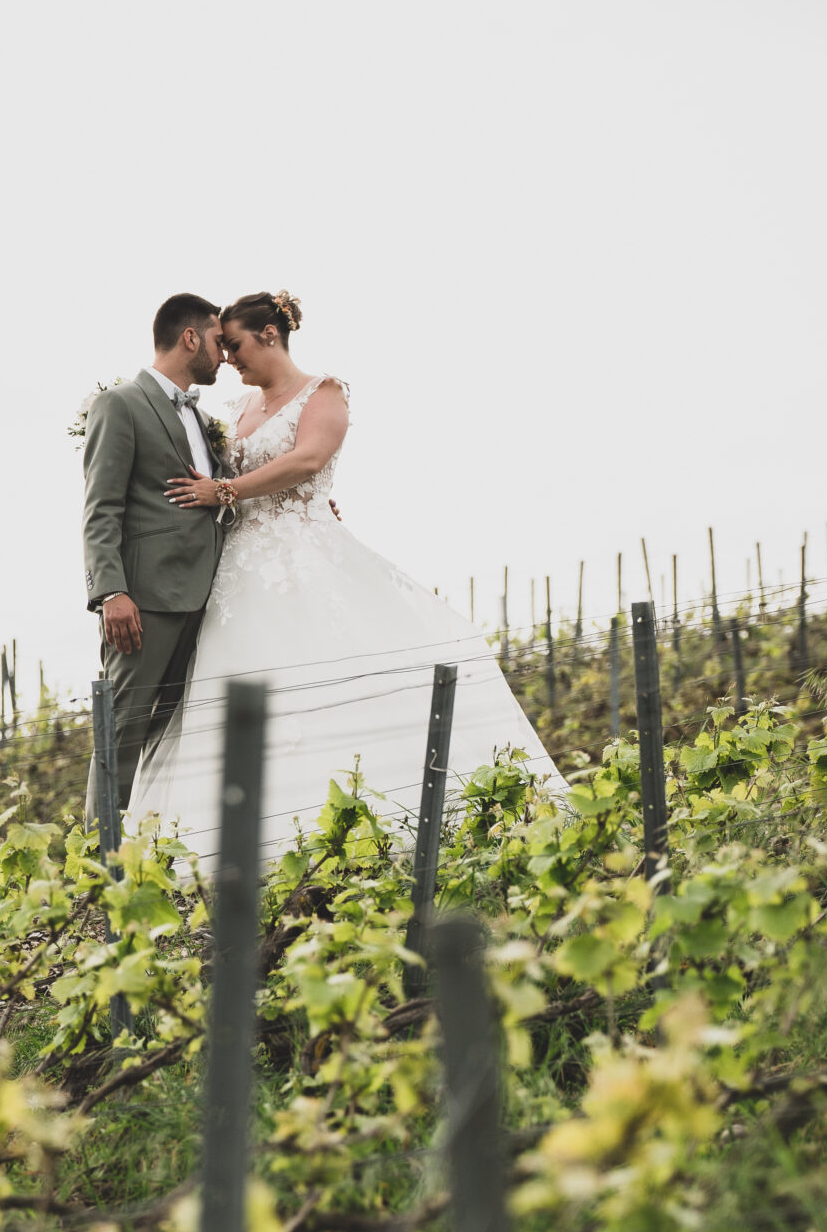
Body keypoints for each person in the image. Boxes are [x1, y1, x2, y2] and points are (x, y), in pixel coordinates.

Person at [128, 290, 565, 865]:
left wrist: (229, 490)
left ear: (269, 335)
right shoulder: (236, 409)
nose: (227, 358)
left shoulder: (324, 393)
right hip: (240, 568)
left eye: (233, 345)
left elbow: (309, 461)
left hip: (305, 557)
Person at [80, 293, 232, 815]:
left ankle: (148, 850)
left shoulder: (203, 419)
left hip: (205, 596)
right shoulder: (120, 404)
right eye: (218, 341)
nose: (225, 354)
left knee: (170, 738)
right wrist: (111, 591)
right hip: (144, 602)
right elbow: (101, 507)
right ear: (190, 338)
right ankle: (96, 871)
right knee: (121, 731)